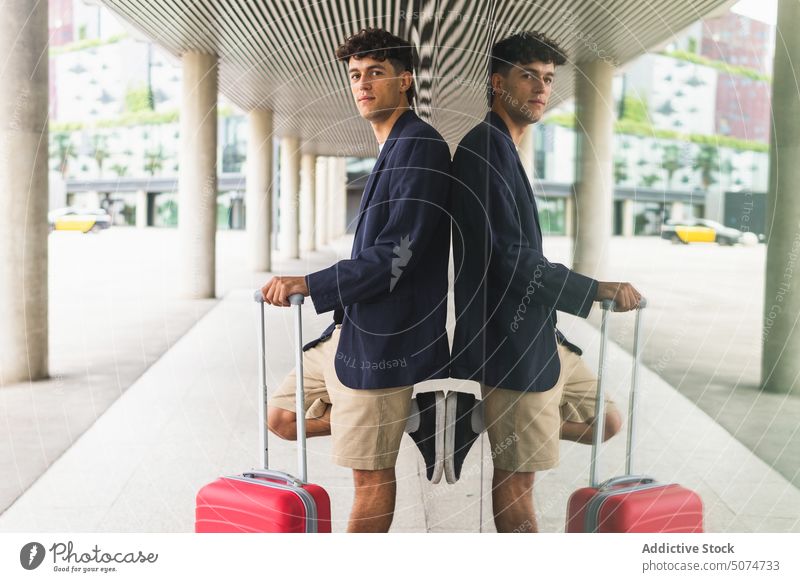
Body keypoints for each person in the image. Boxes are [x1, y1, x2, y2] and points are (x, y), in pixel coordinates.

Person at [448, 31, 642, 532]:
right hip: (510, 346)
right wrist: (594, 289)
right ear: (498, 82)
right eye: (528, 76)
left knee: (608, 419)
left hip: (538, 335)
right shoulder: (483, 151)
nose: (541, 88)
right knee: (519, 483)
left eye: (549, 79)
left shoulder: (506, 147)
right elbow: (508, 259)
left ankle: (480, 422)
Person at [260, 28, 451, 533]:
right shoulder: (390, 146)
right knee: (281, 417)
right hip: (350, 332)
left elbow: (397, 255)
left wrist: (311, 282)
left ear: (405, 80)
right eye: (355, 75)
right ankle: (405, 420)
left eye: (376, 73)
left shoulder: (421, 146)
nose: (362, 84)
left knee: (369, 476)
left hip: (384, 340)